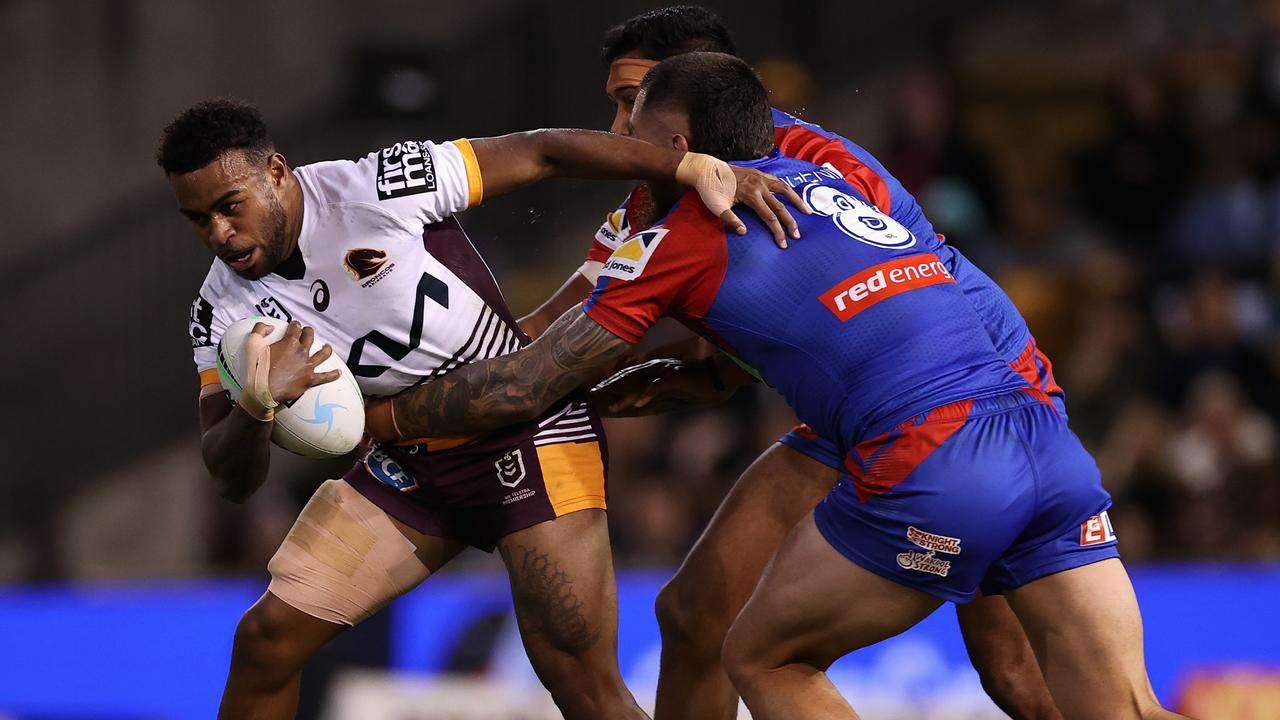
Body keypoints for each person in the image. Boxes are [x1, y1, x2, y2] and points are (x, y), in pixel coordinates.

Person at [366, 52, 1187, 720]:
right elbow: (834, 309)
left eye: (632, 115)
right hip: (1043, 439)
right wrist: (691, 380)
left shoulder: (686, 231)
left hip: (930, 453)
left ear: (678, 136)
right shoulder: (826, 174)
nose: (617, 137)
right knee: (1125, 709)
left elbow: (522, 386)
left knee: (765, 656)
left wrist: (381, 416)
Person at [159, 97, 801, 719]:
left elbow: (543, 152)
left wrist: (689, 169)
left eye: (229, 207)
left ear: (275, 173)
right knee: (265, 640)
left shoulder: (374, 186)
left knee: (582, 688)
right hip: (411, 465)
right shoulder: (219, 312)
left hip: (525, 430)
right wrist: (257, 404)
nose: (219, 234)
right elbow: (229, 476)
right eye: (197, 219)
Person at [518, 6, 1061, 719]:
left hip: (970, 402)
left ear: (700, 98)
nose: (619, 132)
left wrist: (705, 371)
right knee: (693, 615)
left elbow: (884, 310)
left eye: (633, 104)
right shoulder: (647, 209)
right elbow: (552, 325)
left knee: (1010, 669)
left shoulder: (823, 167)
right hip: (853, 418)